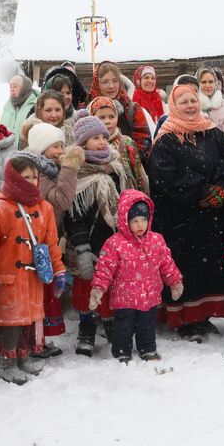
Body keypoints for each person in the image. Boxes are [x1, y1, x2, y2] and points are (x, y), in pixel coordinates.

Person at [148, 82, 224, 341]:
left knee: (210, 267)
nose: (190, 106)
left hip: (212, 218)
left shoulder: (212, 132)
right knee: (184, 268)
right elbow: (165, 175)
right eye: (183, 102)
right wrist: (201, 191)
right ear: (173, 107)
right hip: (181, 220)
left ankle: (204, 315)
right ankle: (184, 319)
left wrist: (223, 187)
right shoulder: (166, 137)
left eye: (193, 101)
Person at [0, 155, 67, 383]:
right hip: (7, 278)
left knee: (28, 320)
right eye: (25, 177)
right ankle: (7, 361)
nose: (32, 182)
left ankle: (23, 355)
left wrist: (59, 271)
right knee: (10, 322)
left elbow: (51, 245)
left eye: (35, 177)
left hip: (33, 277)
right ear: (13, 178)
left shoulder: (44, 208)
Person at [66, 115, 134, 356]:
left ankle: (111, 323)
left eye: (104, 137)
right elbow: (74, 216)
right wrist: (82, 247)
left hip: (112, 241)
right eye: (95, 138)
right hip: (87, 241)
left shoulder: (115, 167)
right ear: (83, 143)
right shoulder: (76, 172)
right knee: (87, 286)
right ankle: (86, 328)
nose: (102, 142)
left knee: (112, 285)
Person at [90, 190, 184, 363]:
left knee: (147, 326)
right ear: (125, 221)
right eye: (135, 221)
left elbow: (167, 264)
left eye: (143, 220)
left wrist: (175, 282)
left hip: (149, 296)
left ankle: (147, 349)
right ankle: (121, 351)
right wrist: (98, 288)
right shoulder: (115, 243)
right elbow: (104, 269)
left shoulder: (156, 240)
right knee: (123, 327)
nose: (140, 225)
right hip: (124, 298)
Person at [24, 122, 82, 355]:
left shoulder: (48, 168)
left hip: (45, 237)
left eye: (61, 145)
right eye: (55, 146)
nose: (60, 150)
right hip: (36, 241)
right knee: (35, 294)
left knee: (42, 294)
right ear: (41, 148)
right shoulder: (42, 172)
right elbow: (61, 200)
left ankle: (37, 340)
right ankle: (31, 342)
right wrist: (70, 168)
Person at [90, 60, 152, 157]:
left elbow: (144, 145)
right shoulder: (88, 110)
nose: (111, 86)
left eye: (115, 81)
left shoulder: (131, 109)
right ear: (97, 84)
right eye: (105, 82)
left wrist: (123, 157)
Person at [90, 96, 149, 193]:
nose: (107, 121)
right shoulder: (89, 146)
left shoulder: (127, 143)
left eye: (111, 117)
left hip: (128, 199)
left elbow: (139, 176)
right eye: (101, 117)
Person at [198, 66, 224, 146]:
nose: (207, 85)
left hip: (222, 155)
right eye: (203, 82)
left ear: (215, 83)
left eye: (211, 81)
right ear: (198, 84)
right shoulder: (192, 107)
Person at [0, 73, 39, 139]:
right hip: (6, 148)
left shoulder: (35, 106)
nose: (12, 89)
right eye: (11, 87)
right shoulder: (8, 106)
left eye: (15, 86)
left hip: (25, 148)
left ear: (24, 88)